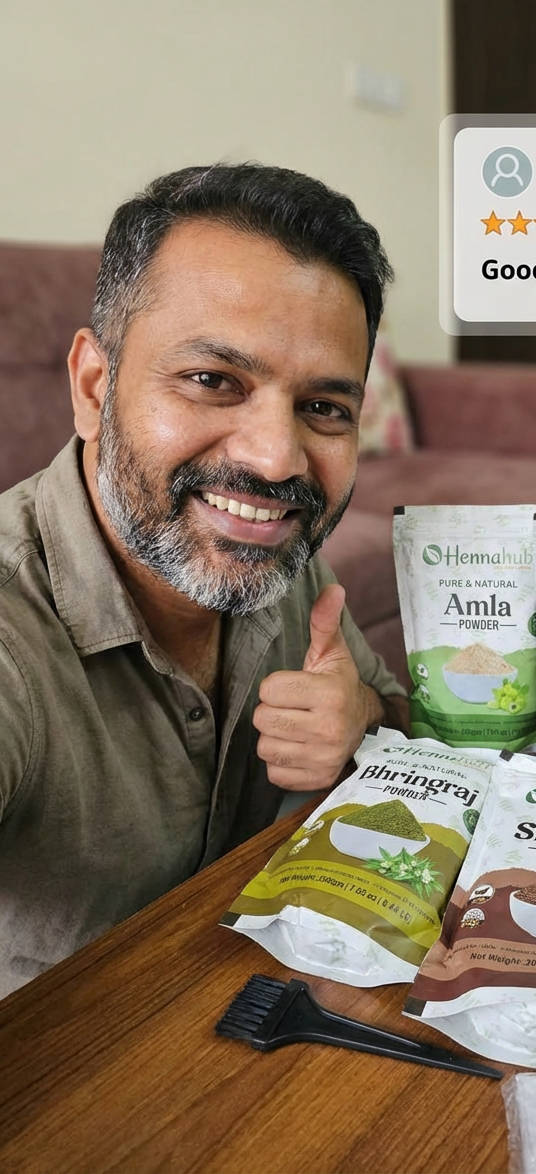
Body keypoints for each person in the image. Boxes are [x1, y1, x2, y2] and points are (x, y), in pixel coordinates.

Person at [0, 164, 409, 998]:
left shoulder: (277, 561)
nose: (278, 459)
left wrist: (365, 716)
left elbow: (408, 728)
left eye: (323, 408)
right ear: (94, 386)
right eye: (214, 381)